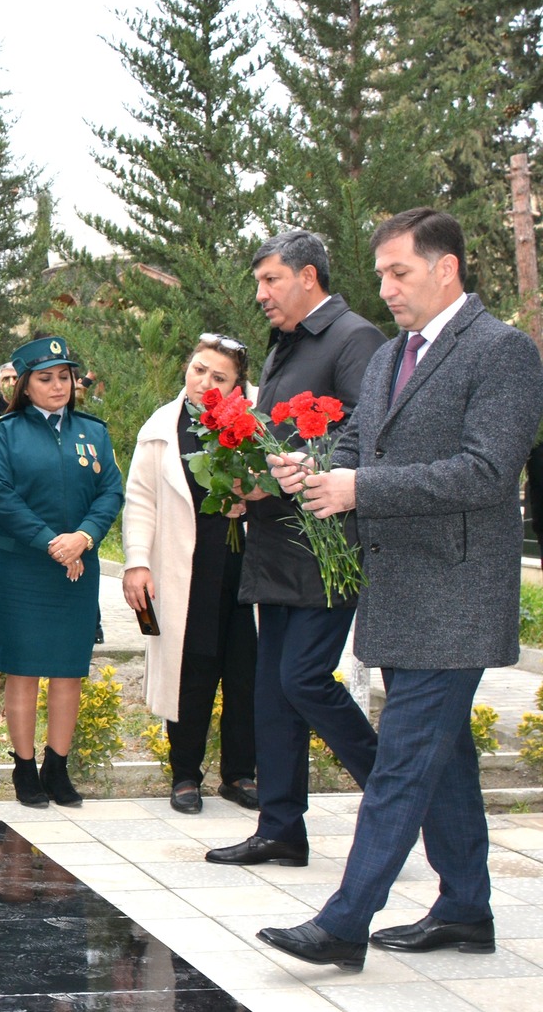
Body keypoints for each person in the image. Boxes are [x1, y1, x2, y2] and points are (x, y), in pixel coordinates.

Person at [259, 210, 543, 968]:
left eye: (398, 273)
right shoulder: (389, 358)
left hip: (456, 595)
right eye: (381, 274)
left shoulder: (503, 353)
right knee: (443, 755)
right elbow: (358, 444)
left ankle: (344, 922)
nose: (384, 288)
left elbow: (487, 471)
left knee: (405, 760)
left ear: (445, 268)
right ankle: (464, 909)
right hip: (401, 590)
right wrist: (313, 468)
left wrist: (360, 488)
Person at [206, 230, 383, 868]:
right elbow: (270, 439)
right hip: (275, 542)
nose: (261, 295)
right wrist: (242, 481)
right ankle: (281, 828)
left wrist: (314, 464)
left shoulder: (355, 338)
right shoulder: (284, 347)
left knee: (302, 677)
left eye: (270, 281)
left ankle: (393, 788)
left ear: (308, 277)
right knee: (272, 690)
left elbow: (371, 428)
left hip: (326, 544)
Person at [0, 335, 124, 809]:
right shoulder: (3, 433)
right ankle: (23, 769)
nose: (59, 385)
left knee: (68, 671)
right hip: (25, 566)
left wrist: (82, 537)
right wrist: (51, 542)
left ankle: (56, 768)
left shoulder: (93, 432)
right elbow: (0, 497)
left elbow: (110, 493)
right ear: (24, 384)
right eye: (46, 378)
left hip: (77, 567)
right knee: (21, 669)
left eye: (64, 376)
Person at [123, 338, 260, 814]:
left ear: (238, 384)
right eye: (199, 370)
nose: (205, 383)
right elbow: (140, 499)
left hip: (250, 568)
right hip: (187, 568)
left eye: (219, 378)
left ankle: (241, 773)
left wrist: (256, 493)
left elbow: (286, 480)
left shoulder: (259, 420)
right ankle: (186, 776)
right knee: (192, 669)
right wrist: (137, 561)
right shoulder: (161, 428)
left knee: (247, 671)